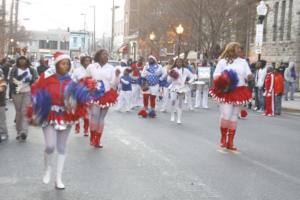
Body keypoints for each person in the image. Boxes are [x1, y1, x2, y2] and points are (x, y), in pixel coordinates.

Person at [29, 52, 93, 189]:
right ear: (57, 64)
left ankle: (58, 178)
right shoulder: (45, 78)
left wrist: (87, 92)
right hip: (49, 114)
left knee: (62, 147)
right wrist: (37, 103)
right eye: (63, 63)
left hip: (65, 116)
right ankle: (47, 169)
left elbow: (79, 98)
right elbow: (35, 91)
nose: (66, 66)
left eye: (68, 64)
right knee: (50, 146)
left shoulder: (71, 81)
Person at [210, 42, 252, 151]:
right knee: (226, 115)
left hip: (239, 91)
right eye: (238, 48)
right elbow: (215, 75)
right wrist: (224, 79)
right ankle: (223, 138)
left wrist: (249, 76)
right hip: (227, 91)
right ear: (232, 49)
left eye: (240, 49)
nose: (240, 50)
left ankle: (231, 141)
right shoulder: (223, 62)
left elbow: (248, 74)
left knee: (234, 116)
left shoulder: (243, 62)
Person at [85, 49, 120, 148]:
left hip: (106, 95)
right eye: (104, 54)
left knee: (101, 117)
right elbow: (86, 78)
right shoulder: (92, 67)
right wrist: (89, 85)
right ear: (99, 56)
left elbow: (114, 83)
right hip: (94, 94)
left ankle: (98, 140)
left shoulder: (111, 68)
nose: (106, 56)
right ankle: (92, 136)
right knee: (94, 115)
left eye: (107, 55)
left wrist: (117, 76)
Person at [9, 56, 38, 141]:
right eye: (20, 60)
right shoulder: (14, 69)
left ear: (26, 61)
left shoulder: (31, 69)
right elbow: (11, 81)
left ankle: (24, 132)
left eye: (24, 60)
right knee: (18, 113)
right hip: (17, 93)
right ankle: (18, 131)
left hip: (27, 92)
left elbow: (36, 79)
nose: (22, 61)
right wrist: (20, 80)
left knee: (24, 111)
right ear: (18, 61)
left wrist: (32, 80)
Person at [168, 58, 195, 124]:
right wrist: (171, 76)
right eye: (177, 62)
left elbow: (193, 77)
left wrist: (188, 81)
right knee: (173, 100)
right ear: (175, 63)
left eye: (180, 62)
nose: (179, 63)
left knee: (180, 102)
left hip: (182, 87)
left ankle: (179, 119)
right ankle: (172, 114)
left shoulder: (186, 70)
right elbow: (168, 80)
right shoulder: (173, 70)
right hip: (174, 87)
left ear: (182, 63)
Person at [71, 55, 92, 136]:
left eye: (89, 61)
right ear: (82, 61)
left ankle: (86, 129)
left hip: (88, 94)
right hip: (78, 93)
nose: (87, 62)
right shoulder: (77, 70)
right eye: (86, 60)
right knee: (77, 111)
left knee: (87, 112)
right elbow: (73, 80)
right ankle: (77, 126)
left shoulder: (93, 70)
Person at [0, 69, 8, 143]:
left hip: (0, 103)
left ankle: (4, 133)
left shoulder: (2, 81)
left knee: (2, 120)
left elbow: (2, 89)